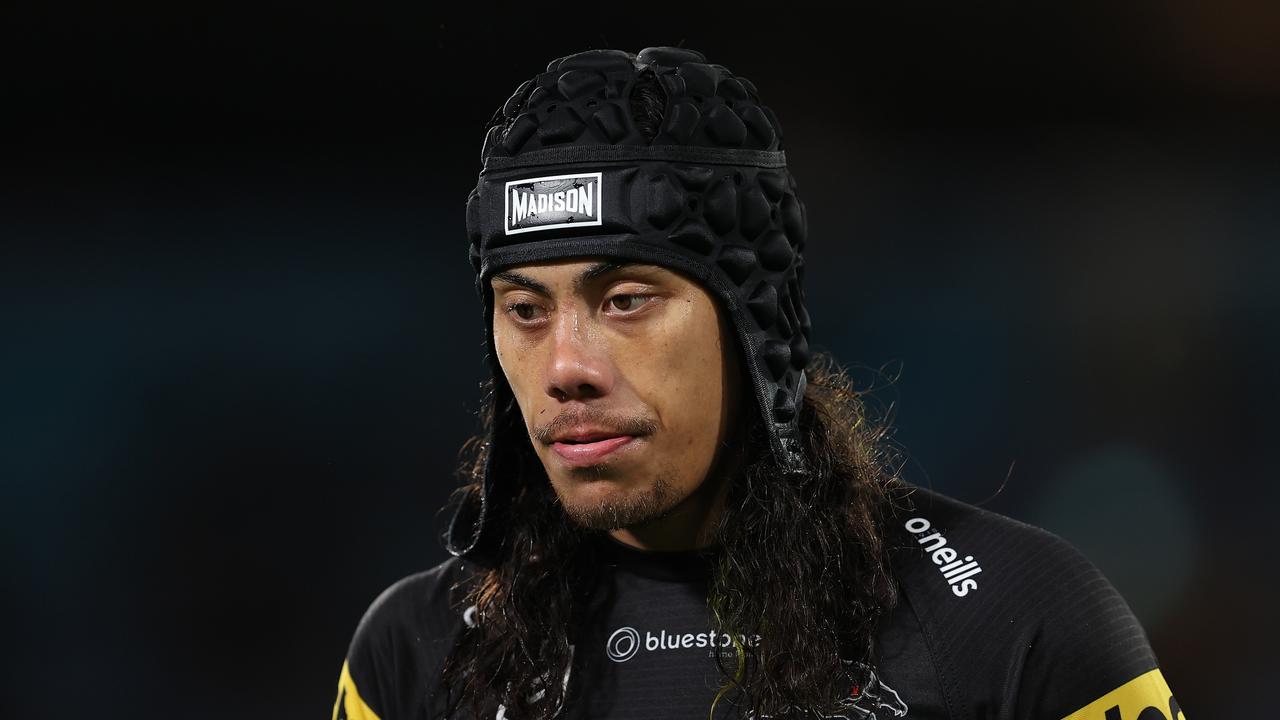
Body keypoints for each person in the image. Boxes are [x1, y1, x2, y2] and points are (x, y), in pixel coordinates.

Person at [332, 46, 1185, 720]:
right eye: (525, 309)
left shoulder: (1019, 625)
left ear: (753, 322)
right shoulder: (413, 655)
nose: (566, 369)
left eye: (627, 300)